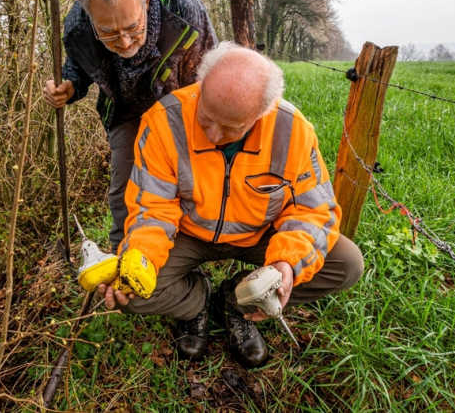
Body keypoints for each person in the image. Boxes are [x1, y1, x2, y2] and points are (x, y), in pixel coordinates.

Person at [97, 42, 364, 368]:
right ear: (201, 84)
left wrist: (287, 264)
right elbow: (152, 209)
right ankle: (196, 303)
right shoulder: (164, 121)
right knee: (131, 291)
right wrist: (142, 259)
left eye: (231, 127)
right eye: (206, 118)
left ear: (263, 113)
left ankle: (237, 302)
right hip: (188, 232)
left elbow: (313, 210)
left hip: (260, 235)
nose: (211, 134)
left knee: (346, 264)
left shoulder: (292, 130)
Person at [42, 0, 216, 250]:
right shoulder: (77, 26)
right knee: (125, 191)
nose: (123, 43)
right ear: (90, 16)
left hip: (182, 103)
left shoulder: (184, 8)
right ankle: (125, 260)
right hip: (126, 109)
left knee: (186, 184)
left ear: (147, 1)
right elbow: (80, 63)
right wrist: (70, 85)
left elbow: (209, 69)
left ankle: (183, 255)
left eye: (132, 28)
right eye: (108, 32)